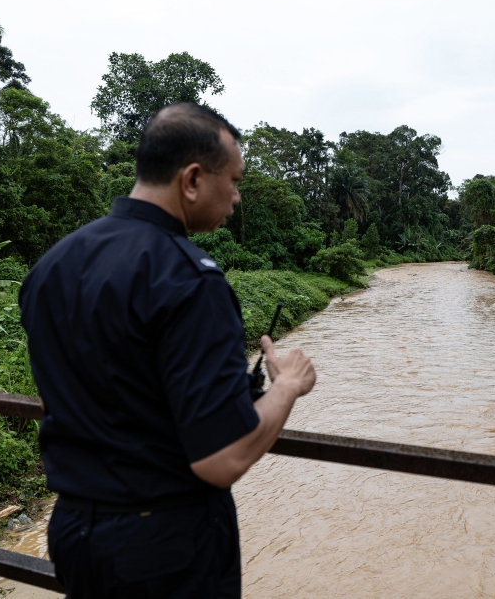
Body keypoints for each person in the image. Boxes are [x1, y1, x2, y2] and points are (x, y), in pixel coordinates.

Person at [19, 103, 317, 598]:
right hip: (164, 548)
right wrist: (285, 386)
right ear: (194, 179)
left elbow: (57, 398)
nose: (238, 197)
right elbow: (220, 460)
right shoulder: (187, 279)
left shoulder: (53, 264)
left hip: (75, 530)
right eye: (236, 180)